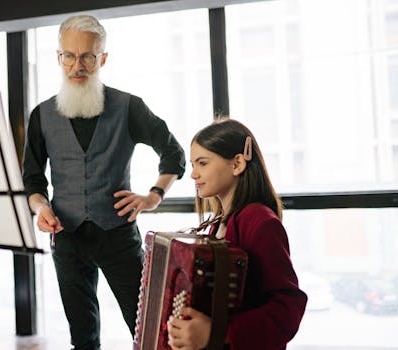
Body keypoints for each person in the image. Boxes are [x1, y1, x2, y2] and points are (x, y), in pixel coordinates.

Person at [22, 15, 186, 350]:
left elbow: (173, 152)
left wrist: (153, 196)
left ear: (103, 59)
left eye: (87, 57)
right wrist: (41, 208)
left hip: (118, 236)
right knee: (82, 338)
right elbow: (33, 180)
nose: (76, 65)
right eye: (69, 55)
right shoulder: (41, 115)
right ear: (58, 57)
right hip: (65, 238)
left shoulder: (129, 107)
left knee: (147, 328)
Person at [167, 117, 307, 350]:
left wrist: (218, 333)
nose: (193, 174)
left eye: (202, 163)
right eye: (192, 164)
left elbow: (288, 307)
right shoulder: (218, 224)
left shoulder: (260, 222)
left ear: (237, 164)